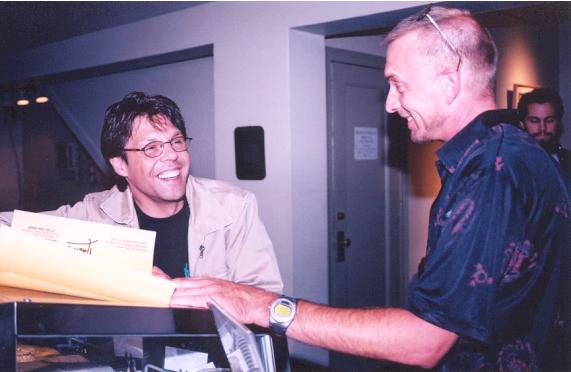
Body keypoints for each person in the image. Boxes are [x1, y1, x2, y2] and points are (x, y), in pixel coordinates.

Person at [170, 6, 571, 370]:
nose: (391, 104)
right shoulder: (502, 151)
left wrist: (261, 305)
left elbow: (425, 340)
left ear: (449, 82)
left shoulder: (490, 171)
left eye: (398, 84)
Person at [0, 91, 283, 293]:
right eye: (152, 148)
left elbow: (265, 299)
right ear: (120, 164)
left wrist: (192, 295)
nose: (172, 156)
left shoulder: (233, 208)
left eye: (176, 142)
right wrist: (114, 271)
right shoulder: (94, 213)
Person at [518, 87, 571, 177]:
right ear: (522, 123)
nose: (542, 128)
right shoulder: (512, 163)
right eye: (534, 121)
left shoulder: (568, 160)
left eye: (549, 120)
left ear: (558, 121)